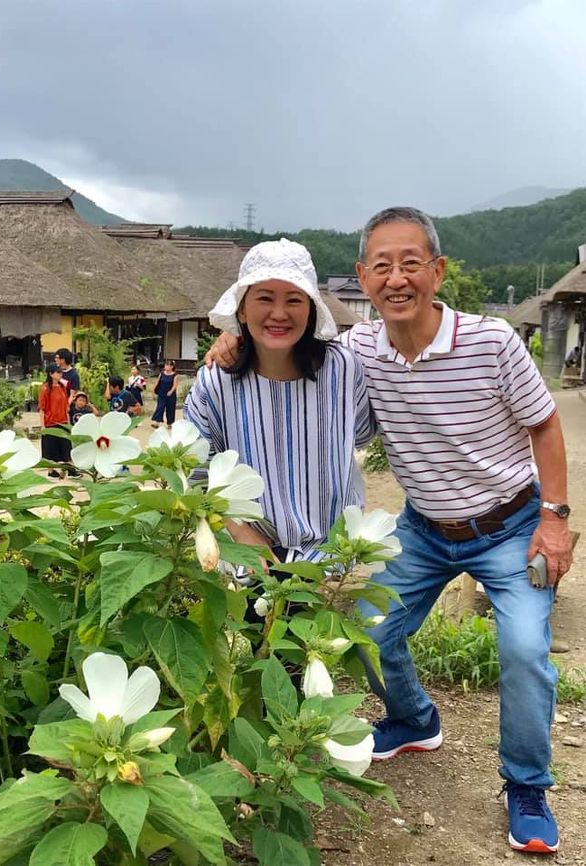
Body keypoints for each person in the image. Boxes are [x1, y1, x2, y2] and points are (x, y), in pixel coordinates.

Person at [207, 209, 573, 855]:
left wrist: (555, 518)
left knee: (521, 649)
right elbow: (280, 339)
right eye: (382, 265)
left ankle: (527, 787)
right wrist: (231, 340)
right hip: (425, 529)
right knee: (370, 633)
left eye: (411, 263)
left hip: (510, 524)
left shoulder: (491, 341)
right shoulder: (359, 351)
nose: (396, 278)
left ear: (437, 270)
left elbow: (544, 424)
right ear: (362, 278)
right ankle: (412, 718)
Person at [185, 237, 374, 564]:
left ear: (312, 308)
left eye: (294, 300)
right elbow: (198, 478)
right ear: (241, 308)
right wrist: (244, 535)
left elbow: (359, 435)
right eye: (264, 298)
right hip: (247, 561)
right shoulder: (216, 383)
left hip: (329, 562)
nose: (279, 313)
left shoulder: (342, 370)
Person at [38, 363, 72, 478]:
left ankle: (69, 468)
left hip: (62, 421)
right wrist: (42, 426)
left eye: (61, 372)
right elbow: (42, 409)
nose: (60, 374)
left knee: (66, 446)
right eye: (58, 372)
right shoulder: (45, 388)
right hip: (50, 422)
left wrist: (68, 422)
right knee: (50, 449)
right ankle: (51, 470)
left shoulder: (62, 387)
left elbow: (66, 406)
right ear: (51, 374)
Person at [152, 360, 179, 428]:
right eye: (166, 365)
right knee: (160, 407)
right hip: (161, 393)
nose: (166, 367)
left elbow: (175, 385)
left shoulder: (175, 375)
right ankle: (157, 422)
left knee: (170, 409)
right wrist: (154, 389)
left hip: (170, 395)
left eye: (168, 365)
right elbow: (157, 382)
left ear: (172, 367)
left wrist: (171, 391)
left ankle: (170, 423)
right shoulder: (162, 373)